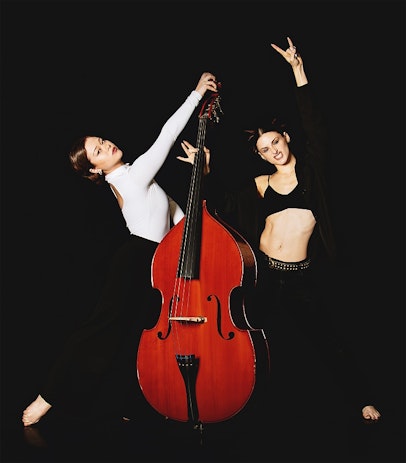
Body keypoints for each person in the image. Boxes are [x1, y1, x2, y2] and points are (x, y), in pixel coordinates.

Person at [179, 38, 381, 459]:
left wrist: (298, 70)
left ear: (286, 137)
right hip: (264, 275)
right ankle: (217, 406)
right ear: (260, 155)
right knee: (245, 345)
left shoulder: (312, 173)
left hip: (302, 276)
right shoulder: (260, 185)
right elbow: (222, 208)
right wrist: (208, 170)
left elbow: (317, 128)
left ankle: (361, 398)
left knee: (330, 341)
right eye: (264, 149)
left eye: (275, 141)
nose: (272, 149)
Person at [21, 71, 218, 427]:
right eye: (98, 150)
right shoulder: (130, 176)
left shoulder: (136, 176)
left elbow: (184, 224)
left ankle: (132, 404)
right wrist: (195, 95)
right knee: (101, 331)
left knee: (136, 339)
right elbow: (167, 135)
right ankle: (46, 397)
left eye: (102, 140)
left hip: (157, 263)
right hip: (136, 260)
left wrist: (201, 173)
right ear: (94, 169)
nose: (107, 145)